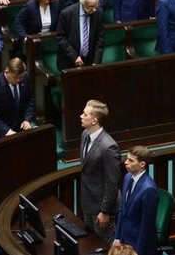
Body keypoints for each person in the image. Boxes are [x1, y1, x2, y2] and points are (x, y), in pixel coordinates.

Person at [78, 99, 121, 242]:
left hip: (101, 209)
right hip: (88, 203)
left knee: (104, 246)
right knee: (91, 243)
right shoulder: (85, 135)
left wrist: (104, 211)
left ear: (94, 120)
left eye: (85, 114)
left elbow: (112, 183)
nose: (81, 116)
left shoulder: (109, 147)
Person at [113, 145, 158, 255]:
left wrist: (138, 251)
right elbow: (122, 210)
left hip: (138, 246)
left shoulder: (149, 190)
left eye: (130, 160)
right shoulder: (128, 177)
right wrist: (118, 237)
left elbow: (146, 225)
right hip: (124, 240)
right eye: (127, 158)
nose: (126, 162)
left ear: (142, 164)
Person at [0, 58, 34, 140]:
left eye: (20, 77)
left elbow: (29, 100)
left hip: (19, 127)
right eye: (15, 77)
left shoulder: (25, 77)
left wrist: (27, 119)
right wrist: (6, 130)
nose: (19, 80)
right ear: (7, 71)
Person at [56, 0, 105, 69]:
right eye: (91, 6)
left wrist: (96, 61)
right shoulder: (67, 14)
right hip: (69, 60)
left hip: (90, 60)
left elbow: (100, 39)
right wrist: (74, 56)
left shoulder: (99, 13)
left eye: (96, 5)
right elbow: (60, 37)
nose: (94, 9)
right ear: (83, 3)